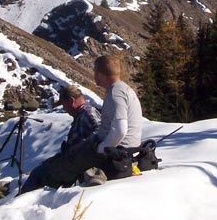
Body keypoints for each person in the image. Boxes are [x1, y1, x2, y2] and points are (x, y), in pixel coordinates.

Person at [20, 55, 143, 193]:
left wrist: (101, 148)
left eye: (95, 72)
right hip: (122, 149)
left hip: (115, 151)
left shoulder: (115, 94)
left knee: (51, 170)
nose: (94, 75)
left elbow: (120, 130)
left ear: (101, 75)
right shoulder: (125, 90)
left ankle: (36, 196)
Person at [20, 84, 100, 192]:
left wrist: (80, 148)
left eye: (64, 104)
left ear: (72, 100)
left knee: (39, 175)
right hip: (73, 159)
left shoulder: (87, 113)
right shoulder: (82, 113)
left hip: (77, 162)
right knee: (40, 170)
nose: (64, 108)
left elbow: (99, 132)